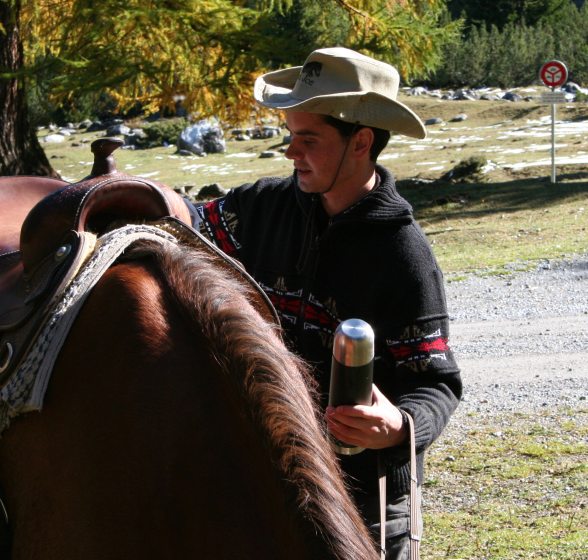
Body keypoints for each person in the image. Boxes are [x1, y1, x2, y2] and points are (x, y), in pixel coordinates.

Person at [188, 47, 462, 559]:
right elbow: (185, 224)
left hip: (367, 495)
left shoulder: (404, 254)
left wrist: (399, 427)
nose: (292, 152)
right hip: (266, 478)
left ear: (361, 142)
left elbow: (436, 383)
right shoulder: (261, 208)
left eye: (308, 139)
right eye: (291, 136)